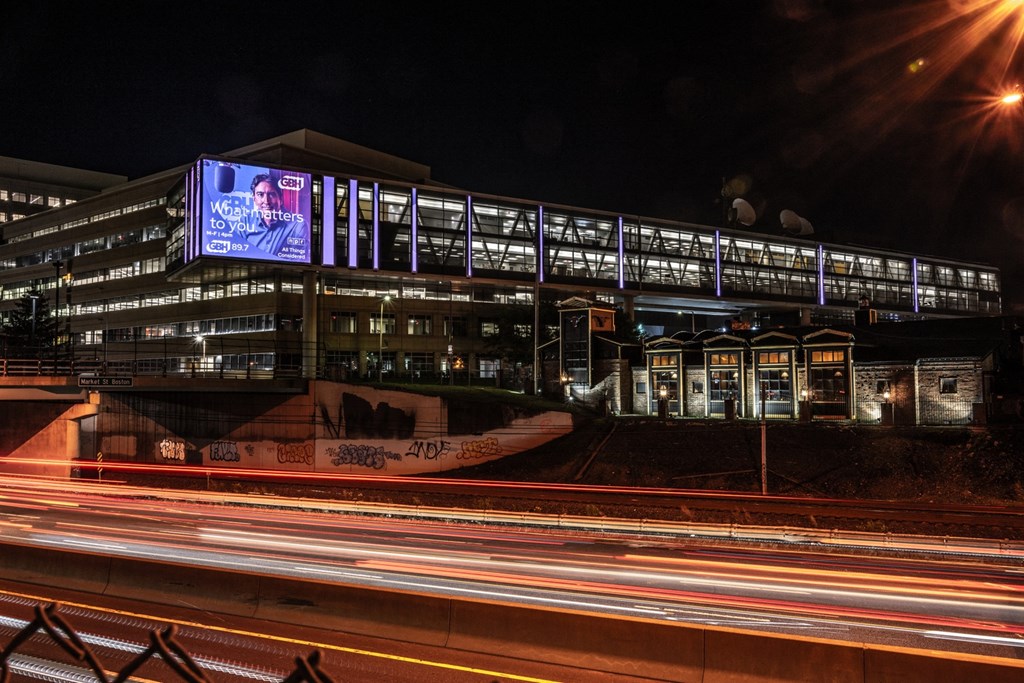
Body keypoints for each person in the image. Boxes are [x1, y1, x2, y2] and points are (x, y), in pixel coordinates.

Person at [244, 174, 307, 259]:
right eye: (260, 194)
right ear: (254, 199)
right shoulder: (245, 221)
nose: (266, 201)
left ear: (280, 199)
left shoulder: (297, 225)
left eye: (271, 194)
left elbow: (298, 262)